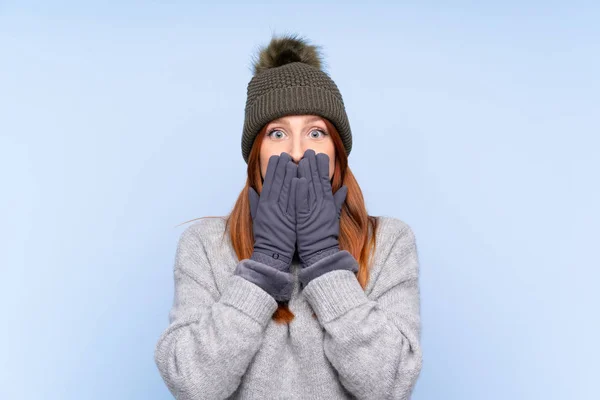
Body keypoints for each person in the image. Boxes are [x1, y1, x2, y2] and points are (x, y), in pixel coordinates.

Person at [153, 33, 423, 399]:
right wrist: (264, 266)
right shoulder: (205, 246)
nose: (297, 152)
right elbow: (192, 384)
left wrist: (325, 261)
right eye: (277, 133)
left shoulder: (388, 242)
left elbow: (390, 386)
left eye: (316, 132)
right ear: (256, 153)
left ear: (338, 151)